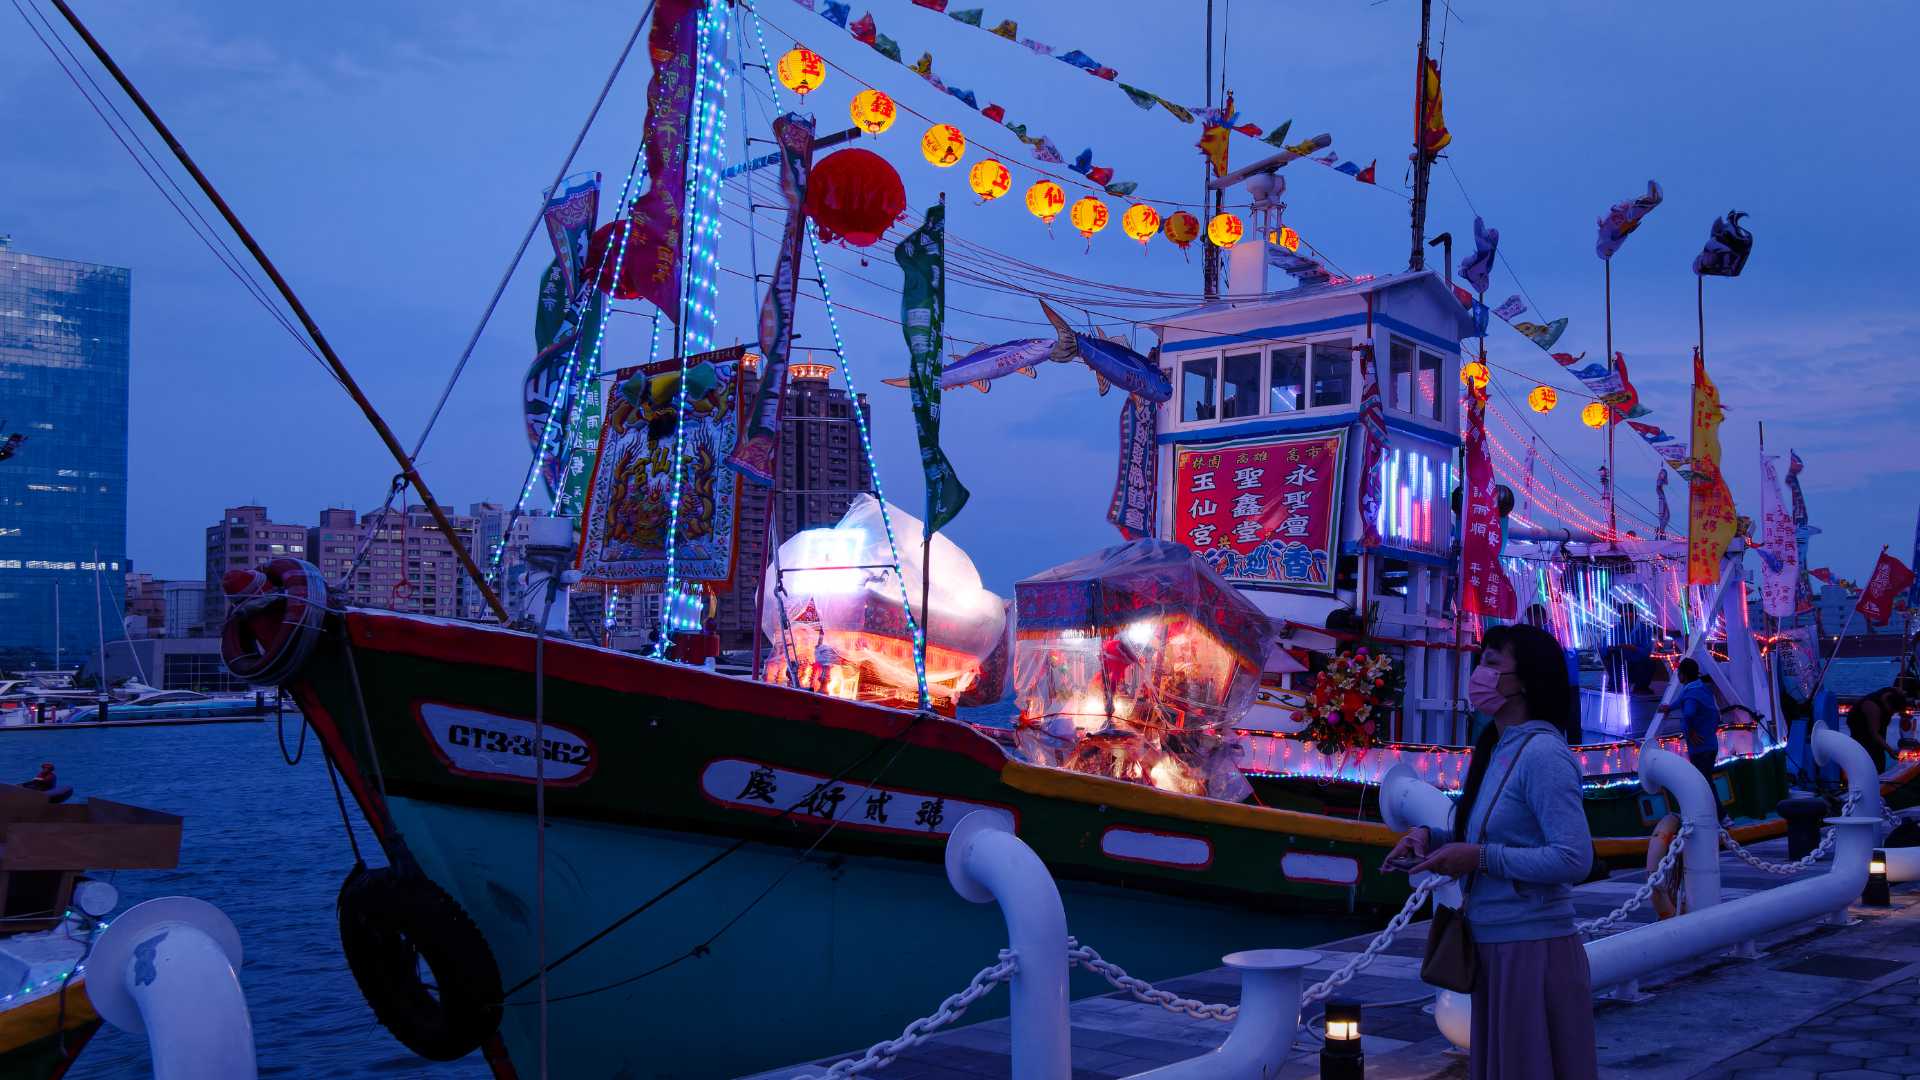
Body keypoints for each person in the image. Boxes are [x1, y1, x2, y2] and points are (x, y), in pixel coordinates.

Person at [1382, 623, 1596, 1080]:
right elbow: (1492, 833)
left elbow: (1574, 858)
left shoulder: (1543, 754)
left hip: (1531, 950)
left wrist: (1479, 858)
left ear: (1525, 682)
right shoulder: (1498, 748)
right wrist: (1430, 837)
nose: (1479, 674)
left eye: (1493, 663)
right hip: (1495, 945)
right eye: (1481, 661)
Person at [1657, 658, 1721, 783]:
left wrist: (1691, 732)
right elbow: (1682, 700)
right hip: (1711, 745)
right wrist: (1669, 708)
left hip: (1701, 748)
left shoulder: (1691, 694)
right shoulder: (1699, 687)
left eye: (1679, 673)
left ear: (1683, 675)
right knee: (1707, 781)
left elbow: (1689, 713)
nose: (1678, 675)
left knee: (1703, 784)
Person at [1848, 686, 1909, 773]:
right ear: (1889, 704)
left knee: (1880, 752)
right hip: (1861, 729)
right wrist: (1890, 750)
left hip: (1876, 727)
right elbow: (1874, 733)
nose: (1892, 714)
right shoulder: (1872, 707)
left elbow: (1901, 693)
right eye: (1892, 711)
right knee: (1870, 755)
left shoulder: (1893, 693)